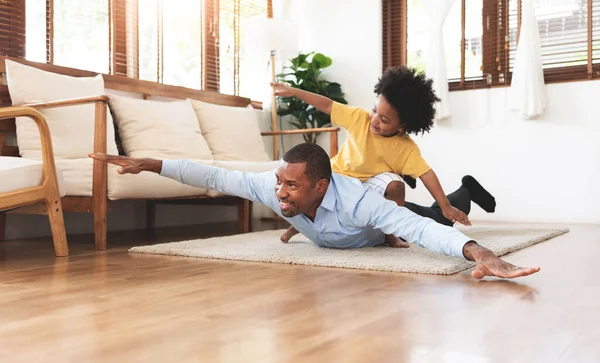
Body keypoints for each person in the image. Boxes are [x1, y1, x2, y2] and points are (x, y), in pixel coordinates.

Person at [88, 143, 539, 280]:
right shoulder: (272, 187)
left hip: (374, 221)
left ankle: (463, 194)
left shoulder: (360, 202)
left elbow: (418, 228)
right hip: (327, 230)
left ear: (321, 186)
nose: (280, 193)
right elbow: (213, 175)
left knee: (430, 218)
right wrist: (150, 163)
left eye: (292, 185)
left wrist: (477, 251)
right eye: (280, 181)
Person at [270, 66, 496, 243]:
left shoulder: (405, 147)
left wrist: (446, 206)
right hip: (347, 183)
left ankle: (466, 191)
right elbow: (328, 105)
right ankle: (465, 190)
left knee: (437, 218)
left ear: (401, 126)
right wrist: (293, 92)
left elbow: (426, 174)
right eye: (375, 111)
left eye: (385, 120)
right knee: (318, 196)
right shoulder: (359, 118)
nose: (375, 120)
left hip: (375, 193)